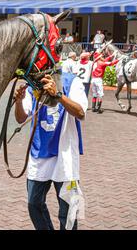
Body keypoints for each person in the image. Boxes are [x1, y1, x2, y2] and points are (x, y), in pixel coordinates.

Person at [14, 73, 88, 230]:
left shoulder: (72, 81)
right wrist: (18, 102)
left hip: (65, 156)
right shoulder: (32, 84)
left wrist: (58, 95)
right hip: (39, 155)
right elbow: (21, 118)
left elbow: (81, 112)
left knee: (69, 211)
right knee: (33, 203)